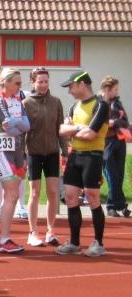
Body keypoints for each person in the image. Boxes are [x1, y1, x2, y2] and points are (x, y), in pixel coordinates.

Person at [57, 71, 110, 257]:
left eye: (71, 86)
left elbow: (91, 134)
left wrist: (73, 130)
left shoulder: (101, 105)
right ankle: (74, 242)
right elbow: (61, 129)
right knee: (70, 197)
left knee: (92, 197)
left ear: (81, 84)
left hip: (92, 157)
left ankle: (98, 243)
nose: (69, 91)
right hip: (75, 156)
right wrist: (79, 128)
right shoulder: (74, 106)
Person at [23, 67, 67, 246]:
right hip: (33, 153)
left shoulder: (56, 102)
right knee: (34, 193)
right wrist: (23, 156)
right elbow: (22, 132)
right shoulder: (26, 103)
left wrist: (65, 152)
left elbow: (61, 129)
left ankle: (51, 231)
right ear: (33, 82)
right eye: (40, 81)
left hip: (52, 153)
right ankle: (33, 232)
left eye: (46, 81)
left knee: (53, 192)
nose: (43, 85)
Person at [0, 68, 30, 253]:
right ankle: (3, 240)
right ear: (5, 82)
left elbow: (26, 126)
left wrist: (17, 124)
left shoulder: (18, 101)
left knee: (12, 196)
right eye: (17, 83)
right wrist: (18, 125)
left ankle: (5, 238)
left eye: (21, 83)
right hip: (2, 151)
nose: (20, 86)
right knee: (12, 194)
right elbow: (11, 129)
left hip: (18, 151)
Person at [100, 76, 130, 217]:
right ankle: (113, 206)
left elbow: (125, 122)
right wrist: (111, 122)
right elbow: (96, 123)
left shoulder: (117, 103)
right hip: (106, 142)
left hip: (120, 140)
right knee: (111, 175)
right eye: (115, 89)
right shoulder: (98, 103)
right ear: (107, 89)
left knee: (119, 175)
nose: (117, 92)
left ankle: (120, 205)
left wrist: (115, 122)